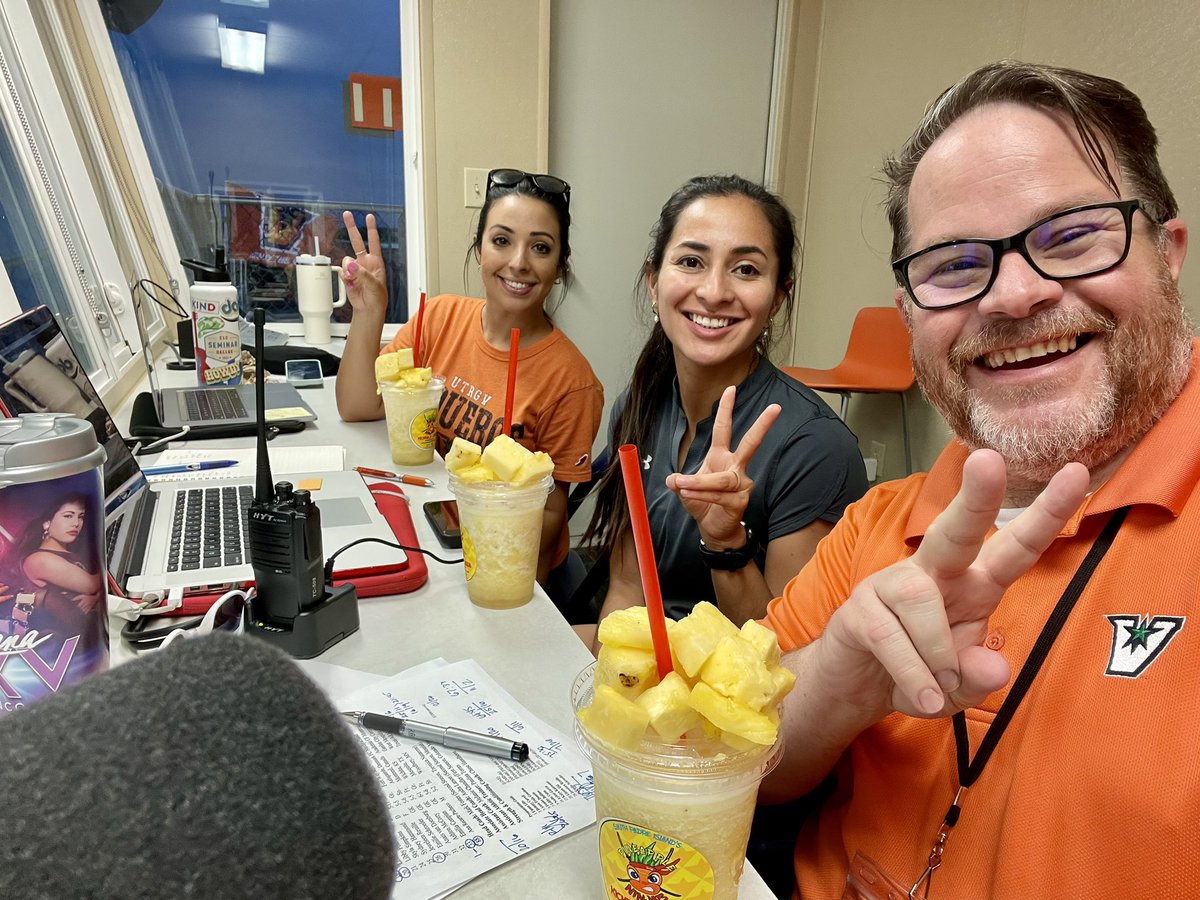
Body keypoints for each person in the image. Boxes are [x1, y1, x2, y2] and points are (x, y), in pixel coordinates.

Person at [759, 60, 1196, 899]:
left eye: (1072, 236)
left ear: (1167, 254)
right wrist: (833, 687)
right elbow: (744, 765)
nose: (1015, 294)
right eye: (955, 264)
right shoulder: (877, 526)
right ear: (911, 315)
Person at [579, 174, 867, 640]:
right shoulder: (638, 405)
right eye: (691, 261)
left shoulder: (816, 448)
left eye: (747, 270)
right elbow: (629, 588)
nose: (714, 292)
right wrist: (615, 679)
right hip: (648, 662)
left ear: (778, 297)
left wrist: (726, 544)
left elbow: (784, 652)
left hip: (737, 695)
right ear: (654, 282)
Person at [335, 169, 603, 605]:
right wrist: (369, 312)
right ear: (479, 249)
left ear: (560, 265)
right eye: (502, 240)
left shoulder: (573, 383)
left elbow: (550, 512)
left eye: (540, 247)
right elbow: (357, 406)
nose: (519, 262)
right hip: (422, 533)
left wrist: (490, 593)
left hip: (494, 569)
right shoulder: (439, 319)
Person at [6, 493, 104, 649]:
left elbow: (96, 588)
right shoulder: (40, 559)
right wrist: (97, 592)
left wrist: (96, 597)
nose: (76, 523)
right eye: (68, 516)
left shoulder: (71, 554)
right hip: (67, 645)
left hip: (90, 633)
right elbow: (92, 584)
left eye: (81, 516)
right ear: (47, 523)